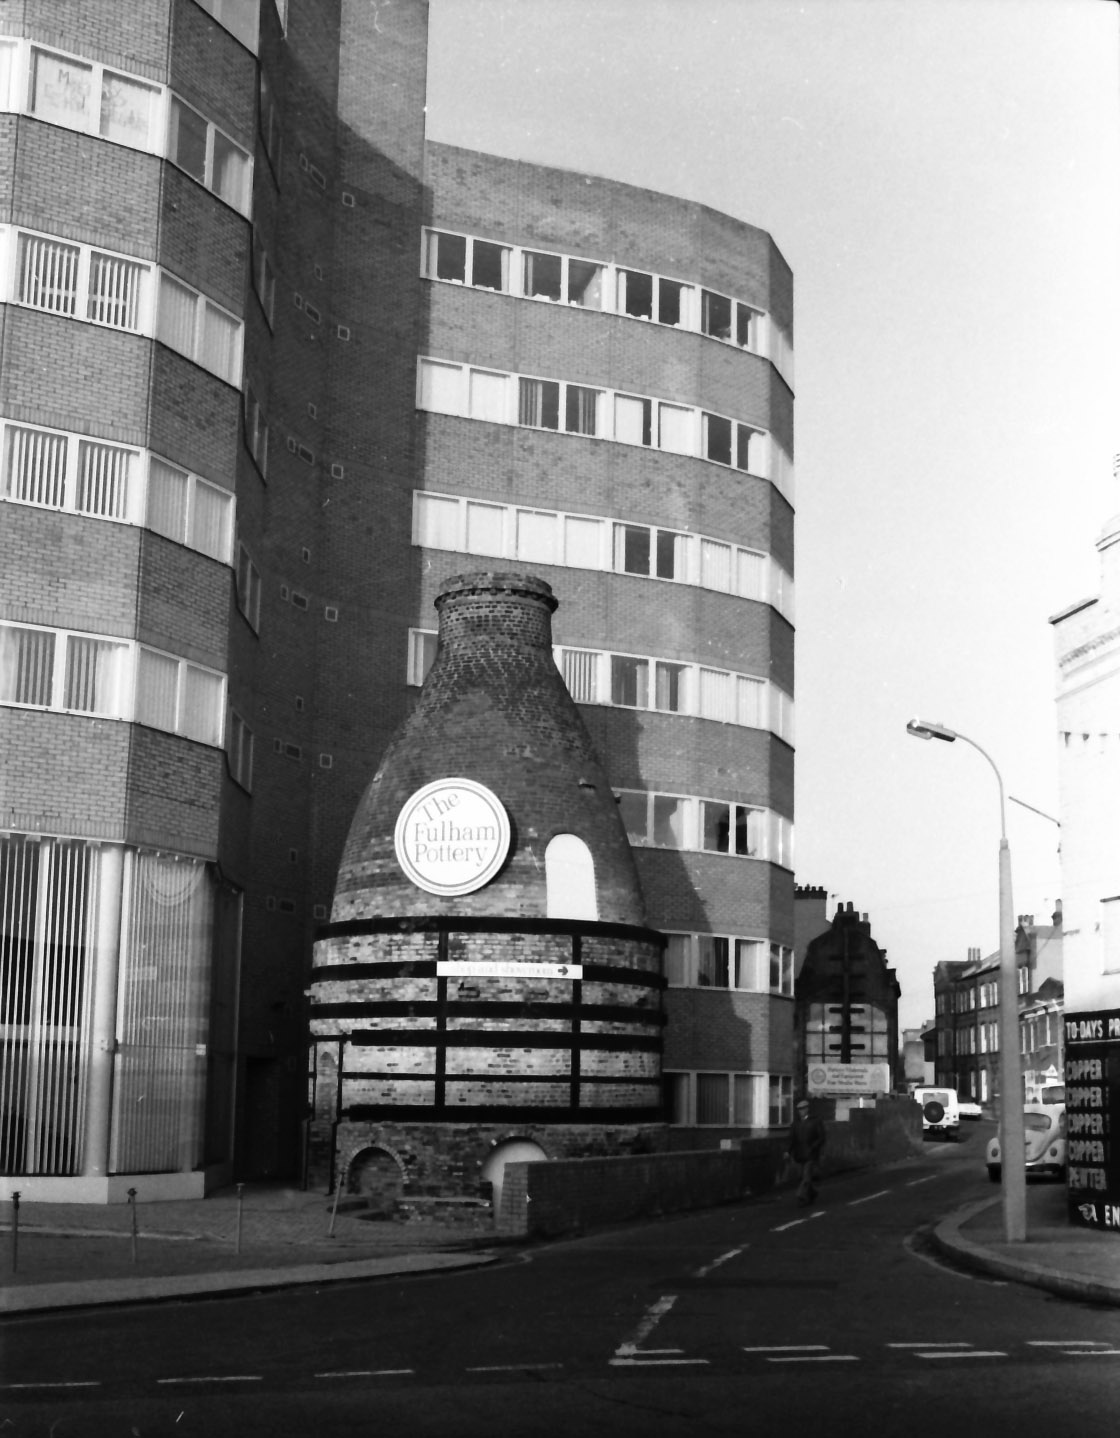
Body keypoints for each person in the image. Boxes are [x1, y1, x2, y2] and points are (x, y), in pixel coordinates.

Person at [786, 1098, 826, 1205]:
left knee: (807, 1177)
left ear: (807, 1109)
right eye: (799, 1110)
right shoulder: (795, 1124)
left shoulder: (815, 1121)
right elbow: (791, 1139)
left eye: (803, 1109)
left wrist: (814, 1146)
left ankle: (801, 1195)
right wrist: (788, 1151)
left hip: (811, 1154)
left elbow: (821, 1137)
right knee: (802, 1176)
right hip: (800, 1154)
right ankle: (812, 1193)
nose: (801, 1111)